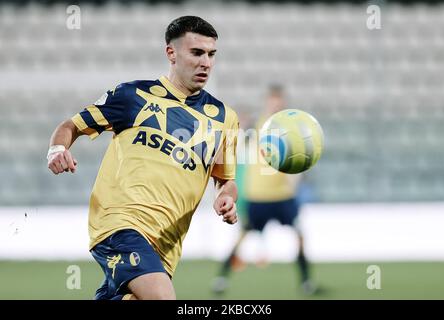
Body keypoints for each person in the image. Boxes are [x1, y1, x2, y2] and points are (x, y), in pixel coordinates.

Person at [47, 16, 239, 300]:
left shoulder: (226, 119)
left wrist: (227, 197)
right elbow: (70, 126)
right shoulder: (132, 95)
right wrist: (58, 149)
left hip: (165, 247)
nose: (206, 63)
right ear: (171, 53)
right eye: (196, 53)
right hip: (119, 224)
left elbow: (226, 180)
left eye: (211, 54)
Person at [212, 85, 317, 296]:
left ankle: (306, 282)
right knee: (242, 237)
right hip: (258, 196)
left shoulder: (290, 129)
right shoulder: (254, 128)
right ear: (267, 103)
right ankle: (221, 278)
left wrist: (296, 176)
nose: (276, 105)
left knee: (299, 235)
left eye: (279, 102)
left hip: (283, 196)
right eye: (273, 102)